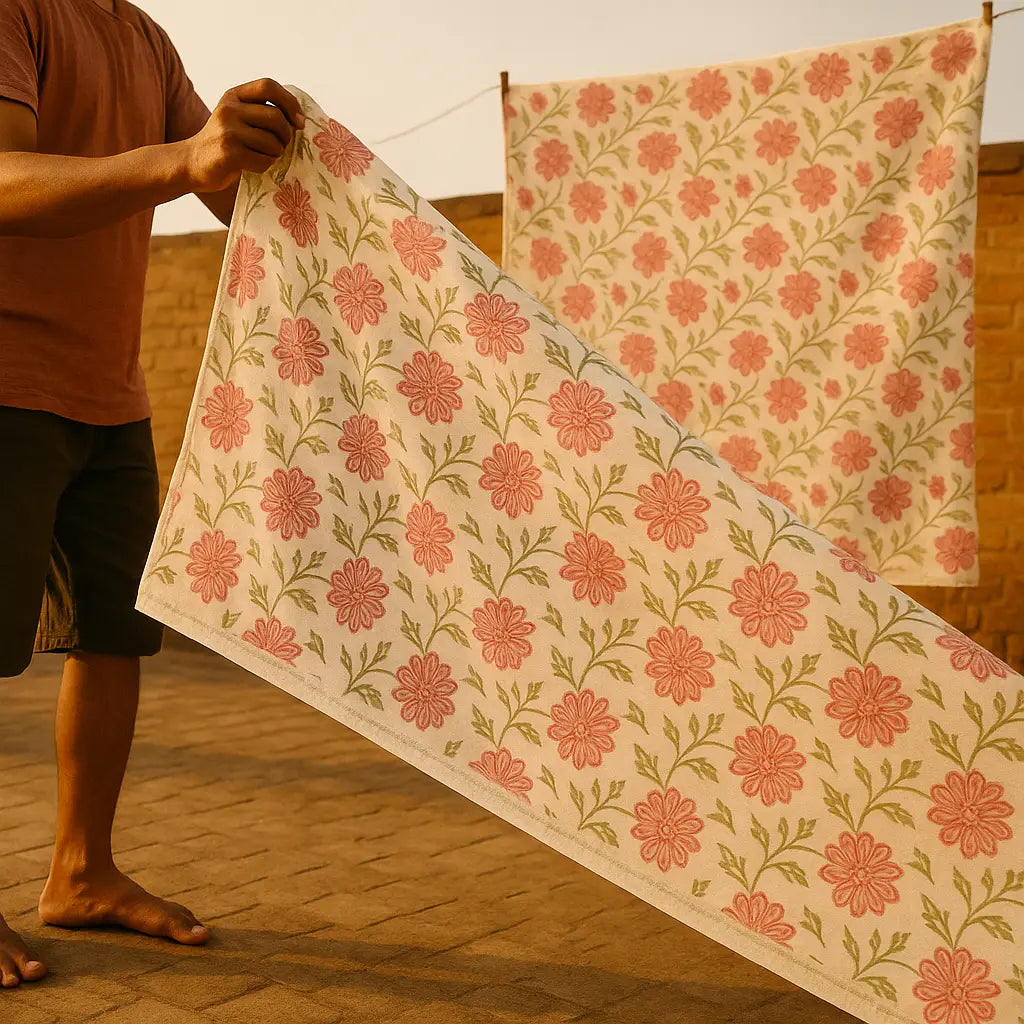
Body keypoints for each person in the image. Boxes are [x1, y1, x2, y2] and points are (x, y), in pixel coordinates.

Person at [0, 0, 305, 988]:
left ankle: (81, 873)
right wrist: (185, 160)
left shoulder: (142, 38)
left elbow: (224, 183)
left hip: (109, 396)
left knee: (115, 635)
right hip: (5, 382)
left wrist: (272, 151)